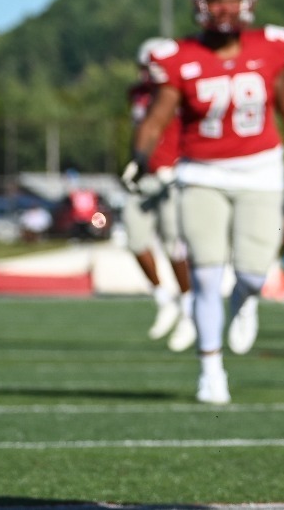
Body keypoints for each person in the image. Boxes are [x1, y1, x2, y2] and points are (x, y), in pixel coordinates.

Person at [128, 0, 284, 405]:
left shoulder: (271, 46)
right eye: (215, 0)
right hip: (200, 172)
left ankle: (245, 298)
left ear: (248, 2)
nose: (223, 10)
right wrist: (139, 158)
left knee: (255, 273)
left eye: (231, 0)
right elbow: (157, 116)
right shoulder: (178, 56)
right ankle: (210, 370)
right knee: (204, 275)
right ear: (199, 4)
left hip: (260, 169)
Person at [124, 36, 195, 350]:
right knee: (135, 238)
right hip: (145, 176)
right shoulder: (137, 94)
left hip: (172, 176)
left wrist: (182, 165)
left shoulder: (178, 91)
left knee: (174, 244)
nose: (146, 74)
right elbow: (142, 132)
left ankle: (189, 309)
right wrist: (134, 162)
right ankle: (163, 299)